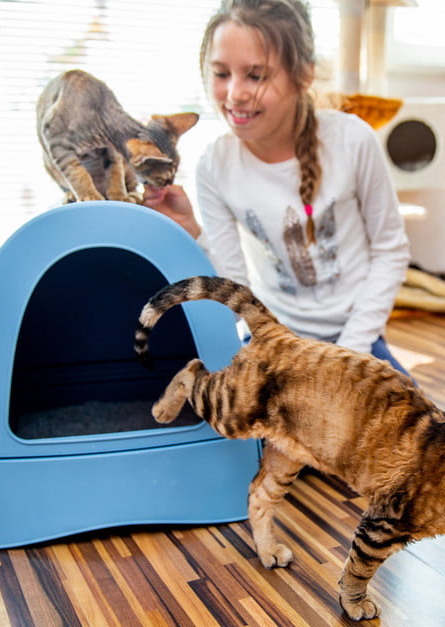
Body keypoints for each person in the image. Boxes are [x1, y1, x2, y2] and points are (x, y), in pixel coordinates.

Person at [144, 0, 412, 375]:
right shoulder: (214, 164)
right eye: (222, 73)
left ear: (302, 76)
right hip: (271, 340)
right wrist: (192, 232)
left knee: (417, 430)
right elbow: (232, 284)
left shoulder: (352, 139)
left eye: (255, 76)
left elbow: (391, 250)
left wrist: (348, 354)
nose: (235, 93)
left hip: (356, 340)